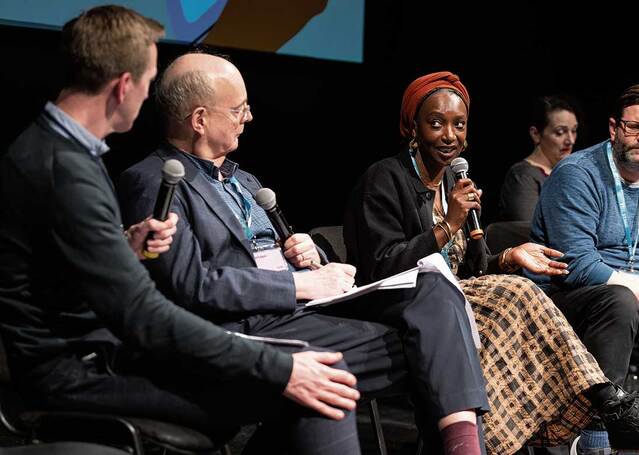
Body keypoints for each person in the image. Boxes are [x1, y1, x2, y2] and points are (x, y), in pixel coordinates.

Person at [0, 6, 376, 454]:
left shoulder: (57, 148)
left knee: (314, 382)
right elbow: (142, 314)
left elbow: (54, 264)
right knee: (319, 388)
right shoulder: (65, 168)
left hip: (100, 352)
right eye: (149, 81)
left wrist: (124, 248)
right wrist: (277, 366)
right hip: (81, 370)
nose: (151, 98)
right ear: (124, 86)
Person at [118, 52, 492, 455]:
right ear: (200, 120)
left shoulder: (244, 179)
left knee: (433, 294)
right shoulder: (155, 181)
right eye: (239, 109)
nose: (249, 117)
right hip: (244, 328)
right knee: (432, 354)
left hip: (303, 313)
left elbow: (278, 255)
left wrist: (305, 253)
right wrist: (295, 283)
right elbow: (189, 285)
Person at [343, 72, 639, 455]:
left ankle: (611, 412)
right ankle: (608, 409)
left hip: (457, 296)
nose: (449, 135)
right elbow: (381, 266)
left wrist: (509, 256)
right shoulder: (384, 179)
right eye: (436, 123)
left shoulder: (452, 183)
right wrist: (449, 226)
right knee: (527, 292)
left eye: (458, 125)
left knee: (518, 288)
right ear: (412, 126)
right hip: (405, 300)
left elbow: (473, 270)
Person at [530, 83, 639, 453]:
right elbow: (578, 264)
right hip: (570, 299)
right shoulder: (577, 173)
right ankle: (597, 437)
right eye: (633, 126)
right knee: (620, 301)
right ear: (613, 128)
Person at [498, 95, 578, 222]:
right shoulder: (523, 176)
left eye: (573, 131)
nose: (571, 140)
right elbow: (527, 230)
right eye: (560, 132)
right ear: (536, 134)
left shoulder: (570, 174)